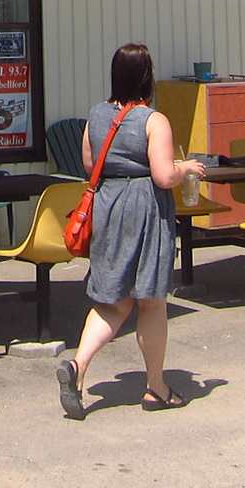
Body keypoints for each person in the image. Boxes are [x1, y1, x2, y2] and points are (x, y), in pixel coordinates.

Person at [56, 43, 206, 419]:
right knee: (151, 301)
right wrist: (186, 167)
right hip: (144, 208)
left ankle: (77, 367)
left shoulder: (96, 114)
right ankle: (156, 387)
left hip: (106, 206)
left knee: (113, 300)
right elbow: (163, 175)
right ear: (147, 76)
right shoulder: (153, 120)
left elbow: (90, 162)